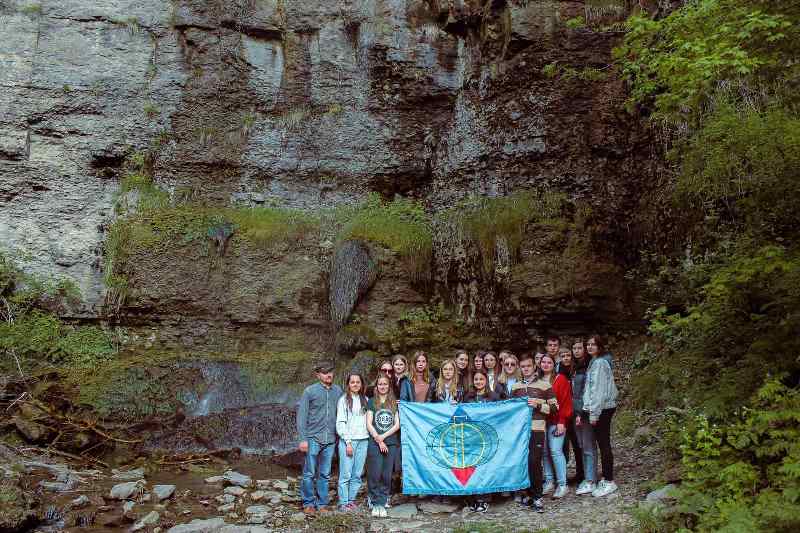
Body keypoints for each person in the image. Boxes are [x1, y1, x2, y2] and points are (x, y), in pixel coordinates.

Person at [510, 354, 558, 513]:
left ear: (534, 367)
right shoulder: (515, 387)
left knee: (535, 461)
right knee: (523, 462)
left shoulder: (545, 385)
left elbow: (555, 408)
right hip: (520, 432)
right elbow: (510, 409)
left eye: (528, 366)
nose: (526, 369)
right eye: (523, 366)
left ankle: (538, 497)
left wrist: (538, 405)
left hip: (537, 429)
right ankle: (527, 494)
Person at [297, 361, 343, 515]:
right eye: (324, 372)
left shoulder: (338, 391)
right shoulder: (309, 391)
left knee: (324, 474)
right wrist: (303, 439)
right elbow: (301, 416)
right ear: (318, 375)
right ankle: (308, 503)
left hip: (330, 439)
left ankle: (322, 503)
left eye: (330, 371)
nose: (328, 375)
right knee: (309, 473)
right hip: (313, 438)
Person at [583, 335, 618, 497]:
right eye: (588, 344)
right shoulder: (595, 361)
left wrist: (594, 413)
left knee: (604, 444)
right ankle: (606, 478)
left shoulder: (600, 363)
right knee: (602, 443)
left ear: (600, 346)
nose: (590, 347)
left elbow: (598, 390)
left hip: (603, 409)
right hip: (600, 408)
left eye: (593, 344)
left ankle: (609, 481)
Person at [463, 370, 501, 513]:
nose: (478, 382)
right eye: (476, 379)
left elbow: (501, 414)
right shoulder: (468, 397)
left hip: (487, 437)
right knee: (473, 467)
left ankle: (484, 499)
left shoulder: (493, 397)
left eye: (481, 379)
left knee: (485, 468)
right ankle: (472, 498)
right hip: (472, 438)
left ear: (486, 380)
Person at [366, 375, 401, 517]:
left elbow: (397, 424)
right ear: (376, 386)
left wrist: (384, 437)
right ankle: (374, 502)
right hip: (375, 442)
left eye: (385, 384)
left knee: (386, 474)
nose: (382, 386)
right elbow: (369, 423)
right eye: (380, 384)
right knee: (375, 472)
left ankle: (382, 500)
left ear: (389, 386)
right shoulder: (372, 402)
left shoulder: (393, 402)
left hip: (391, 442)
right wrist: (378, 439)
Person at [540, 354, 573, 499]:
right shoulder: (537, 380)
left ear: (554, 365)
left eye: (549, 362)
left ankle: (562, 484)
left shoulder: (560, 379)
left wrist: (562, 421)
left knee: (555, 451)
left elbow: (566, 402)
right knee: (544, 452)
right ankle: (549, 481)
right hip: (541, 422)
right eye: (543, 362)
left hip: (556, 422)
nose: (546, 364)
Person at [336, 373, 369, 511]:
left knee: (357, 474)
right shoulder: (343, 400)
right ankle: (343, 503)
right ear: (348, 384)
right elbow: (340, 422)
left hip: (363, 440)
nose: (355, 384)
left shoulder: (365, 399)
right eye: (352, 382)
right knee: (346, 474)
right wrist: (348, 442)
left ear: (361, 384)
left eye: (358, 382)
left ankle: (351, 500)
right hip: (348, 441)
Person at [571, 339, 596, 495]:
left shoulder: (589, 366)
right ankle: (588, 476)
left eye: (579, 348)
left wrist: (581, 413)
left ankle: (591, 480)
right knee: (581, 445)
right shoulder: (574, 367)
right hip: (575, 411)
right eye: (574, 348)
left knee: (588, 446)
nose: (577, 351)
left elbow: (586, 392)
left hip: (585, 411)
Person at [558, 346, 585, 487]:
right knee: (562, 445)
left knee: (577, 444)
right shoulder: (557, 371)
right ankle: (562, 476)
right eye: (563, 356)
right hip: (562, 411)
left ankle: (581, 474)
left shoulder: (576, 370)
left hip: (574, 410)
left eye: (568, 355)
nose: (566, 358)